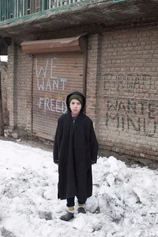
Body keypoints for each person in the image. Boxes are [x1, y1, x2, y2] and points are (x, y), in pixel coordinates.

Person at [53, 91, 99, 221]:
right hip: (66, 158)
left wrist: (92, 157)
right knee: (69, 182)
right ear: (68, 104)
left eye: (78, 103)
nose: (75, 106)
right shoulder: (62, 120)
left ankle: (82, 206)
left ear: (82, 105)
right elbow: (58, 140)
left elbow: (93, 141)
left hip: (82, 159)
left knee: (82, 181)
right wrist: (57, 157)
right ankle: (70, 209)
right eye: (73, 103)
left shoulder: (86, 122)